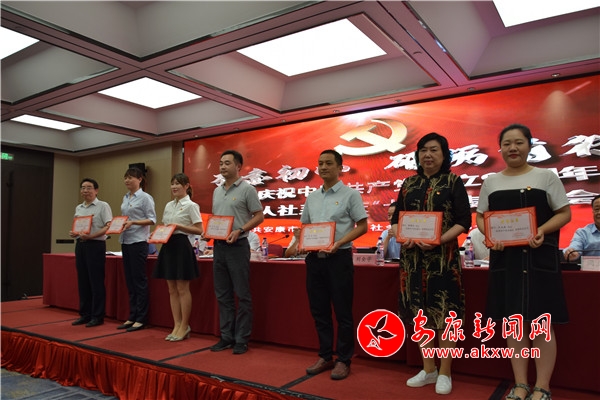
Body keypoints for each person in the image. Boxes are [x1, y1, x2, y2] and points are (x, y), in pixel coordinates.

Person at [476, 124, 571, 400]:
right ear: (501, 149)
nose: (513, 148)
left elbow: (564, 213)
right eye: (507, 143)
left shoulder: (546, 177)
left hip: (539, 257)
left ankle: (542, 387)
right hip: (507, 259)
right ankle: (520, 384)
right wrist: (490, 235)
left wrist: (542, 230)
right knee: (514, 324)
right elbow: (481, 217)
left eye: (519, 142)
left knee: (541, 324)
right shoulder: (491, 182)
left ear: (529, 146)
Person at [390, 132, 471, 395]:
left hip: (443, 260)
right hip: (413, 260)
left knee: (446, 314)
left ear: (444, 155)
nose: (428, 155)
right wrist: (400, 235)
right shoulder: (409, 183)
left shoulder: (453, 182)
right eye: (423, 150)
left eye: (434, 150)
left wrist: (439, 240)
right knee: (420, 315)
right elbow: (396, 218)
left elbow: (464, 221)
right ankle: (428, 369)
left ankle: (445, 372)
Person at [300, 149, 368, 380]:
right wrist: (298, 244)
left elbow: (363, 226)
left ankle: (344, 359)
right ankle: (325, 355)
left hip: (339, 259)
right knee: (319, 311)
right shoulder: (312, 197)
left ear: (340, 168)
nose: (323, 167)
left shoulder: (351, 195)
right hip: (314, 260)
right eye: (320, 163)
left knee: (342, 312)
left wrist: (339, 242)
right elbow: (305, 227)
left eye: (329, 163)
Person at [210, 150, 264, 355]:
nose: (223, 167)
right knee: (223, 294)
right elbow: (217, 219)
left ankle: (241, 339)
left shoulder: (247, 189)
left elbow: (259, 216)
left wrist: (240, 230)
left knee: (242, 294)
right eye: (221, 163)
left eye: (227, 163)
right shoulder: (217, 191)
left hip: (238, 246)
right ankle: (226, 337)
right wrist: (209, 233)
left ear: (238, 166)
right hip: (219, 246)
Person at [152, 173, 204, 342]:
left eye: (178, 184)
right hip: (168, 245)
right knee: (171, 289)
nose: (174, 187)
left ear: (186, 186)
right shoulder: (169, 205)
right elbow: (165, 226)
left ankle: (184, 326)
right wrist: (156, 235)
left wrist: (179, 226)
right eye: (172, 184)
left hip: (182, 246)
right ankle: (176, 324)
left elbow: (199, 230)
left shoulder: (191, 205)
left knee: (182, 289)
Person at [117, 167, 156, 332]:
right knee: (130, 281)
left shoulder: (145, 197)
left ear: (140, 179)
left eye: (131, 177)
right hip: (125, 241)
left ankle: (141, 318)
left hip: (139, 242)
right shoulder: (126, 197)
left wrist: (133, 222)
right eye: (125, 178)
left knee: (139, 281)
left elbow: (152, 219)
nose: (127, 180)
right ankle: (132, 315)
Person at [69, 178, 113, 328]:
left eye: (89, 188)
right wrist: (74, 233)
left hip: (95, 245)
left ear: (96, 190)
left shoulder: (103, 206)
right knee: (83, 281)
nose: (85, 190)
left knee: (96, 282)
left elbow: (108, 226)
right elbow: (77, 226)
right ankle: (85, 314)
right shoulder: (79, 208)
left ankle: (97, 316)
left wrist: (92, 236)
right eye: (83, 188)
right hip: (81, 245)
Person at [563, 194, 600, 260]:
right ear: (593, 211)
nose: (599, 212)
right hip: (591, 266)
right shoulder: (583, 233)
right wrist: (570, 252)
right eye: (597, 209)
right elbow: (574, 247)